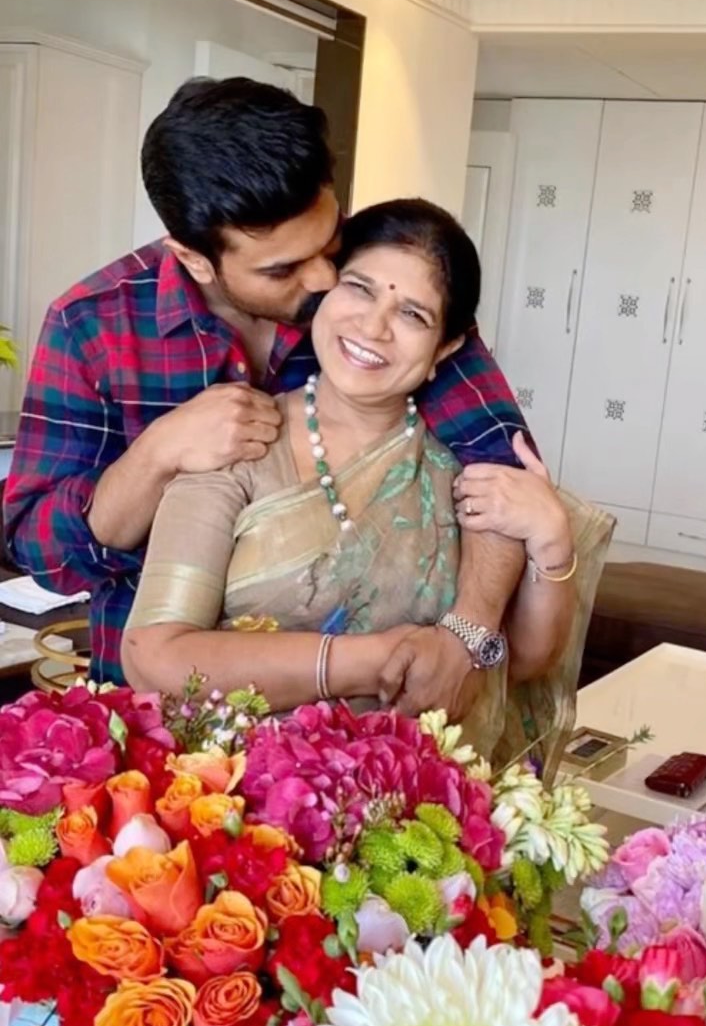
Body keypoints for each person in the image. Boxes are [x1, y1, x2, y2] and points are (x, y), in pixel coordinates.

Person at [4, 77, 563, 714]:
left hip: (385, 720)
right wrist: (157, 455)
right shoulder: (95, 326)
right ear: (194, 259)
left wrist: (464, 638)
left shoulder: (376, 281)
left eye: (329, 245)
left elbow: (503, 471)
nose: (324, 278)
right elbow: (44, 553)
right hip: (171, 720)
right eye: (283, 269)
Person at [122, 199, 575, 725]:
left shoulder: (462, 469)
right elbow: (154, 657)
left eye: (412, 314)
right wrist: (371, 661)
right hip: (235, 773)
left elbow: (518, 661)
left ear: (445, 349)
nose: (374, 327)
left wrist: (552, 542)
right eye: (359, 288)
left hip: (419, 773)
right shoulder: (236, 441)